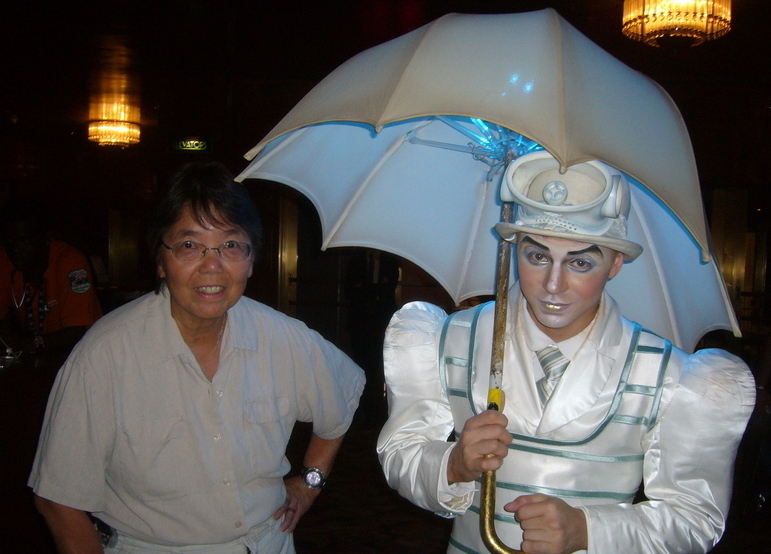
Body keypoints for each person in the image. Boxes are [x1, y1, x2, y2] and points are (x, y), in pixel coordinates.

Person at [377, 151, 755, 553]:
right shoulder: (446, 339)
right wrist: (452, 465)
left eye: (580, 262)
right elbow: (401, 455)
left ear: (615, 263)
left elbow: (694, 519)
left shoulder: (668, 375)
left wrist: (586, 530)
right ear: (513, 247)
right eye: (537, 256)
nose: (552, 285)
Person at [29, 162, 365, 553]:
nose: (212, 265)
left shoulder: (282, 336)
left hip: (267, 541)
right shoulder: (104, 355)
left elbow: (341, 396)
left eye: (230, 245)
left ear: (251, 259)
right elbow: (58, 500)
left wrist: (310, 482)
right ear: (160, 260)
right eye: (189, 245)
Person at [0, 196, 102, 353]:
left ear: (46, 238)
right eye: (9, 241)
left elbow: (77, 331)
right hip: (34, 355)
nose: (15, 249)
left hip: (83, 351)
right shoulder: (4, 261)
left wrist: (30, 344)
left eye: (24, 241)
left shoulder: (70, 262)